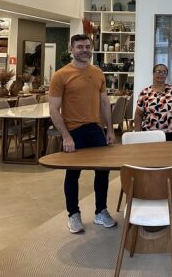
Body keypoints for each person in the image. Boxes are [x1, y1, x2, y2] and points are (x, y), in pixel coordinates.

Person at [49, 34, 116, 234]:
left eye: (87, 46)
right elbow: (54, 109)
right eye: (79, 47)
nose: (84, 50)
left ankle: (101, 211)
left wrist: (110, 129)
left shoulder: (97, 73)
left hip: (95, 129)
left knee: (103, 171)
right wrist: (66, 136)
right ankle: (73, 214)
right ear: (71, 49)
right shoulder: (61, 75)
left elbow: (104, 102)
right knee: (72, 174)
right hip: (73, 131)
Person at [134, 64, 172, 140]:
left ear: (166, 75)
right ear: (153, 73)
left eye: (164, 72)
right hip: (149, 134)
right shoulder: (144, 93)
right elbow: (138, 114)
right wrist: (137, 132)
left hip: (171, 133)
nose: (161, 74)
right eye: (158, 71)